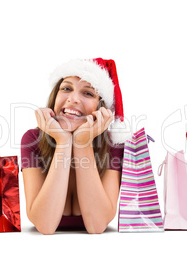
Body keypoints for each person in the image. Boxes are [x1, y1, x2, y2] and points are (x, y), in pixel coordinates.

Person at [20, 58, 130, 234]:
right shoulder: (32, 139)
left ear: (101, 108)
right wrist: (63, 142)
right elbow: (45, 225)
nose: (73, 99)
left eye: (87, 93)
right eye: (66, 88)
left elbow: (97, 225)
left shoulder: (113, 145)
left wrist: (82, 143)